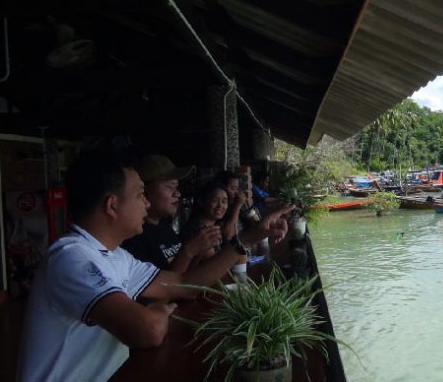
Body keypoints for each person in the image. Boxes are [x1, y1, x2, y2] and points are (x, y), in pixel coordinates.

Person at [18, 150, 293, 382]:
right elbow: (147, 330)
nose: (146, 203)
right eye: (140, 195)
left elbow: (185, 286)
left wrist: (249, 237)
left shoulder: (114, 256)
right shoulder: (72, 258)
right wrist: (157, 310)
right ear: (112, 206)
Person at [121, 155, 219, 273]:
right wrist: (188, 251)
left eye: (177, 187)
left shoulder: (164, 224)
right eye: (170, 187)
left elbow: (185, 276)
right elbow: (164, 287)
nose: (177, 194)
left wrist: (199, 251)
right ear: (144, 191)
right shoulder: (134, 236)